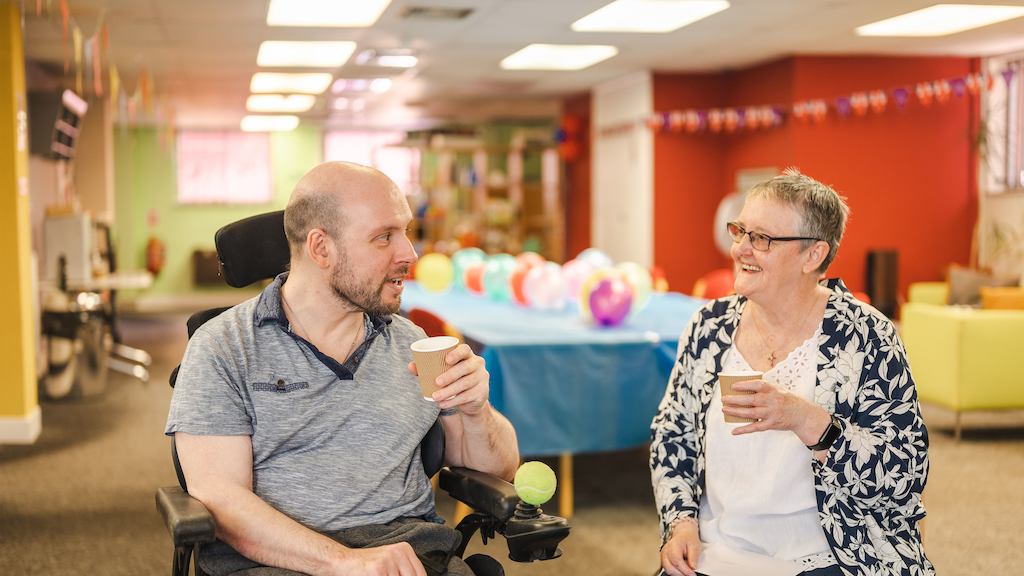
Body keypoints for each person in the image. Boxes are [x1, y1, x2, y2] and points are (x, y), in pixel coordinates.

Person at [166, 161, 519, 576]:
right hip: (275, 562)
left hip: (411, 556)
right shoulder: (224, 347)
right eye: (384, 237)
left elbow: (497, 471)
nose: (410, 253)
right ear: (321, 248)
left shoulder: (414, 343)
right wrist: (343, 562)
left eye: (405, 232)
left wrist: (477, 411)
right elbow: (220, 498)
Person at [650, 169, 933, 576]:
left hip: (832, 557)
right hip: (715, 555)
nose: (740, 250)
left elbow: (903, 479)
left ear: (812, 256)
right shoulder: (709, 327)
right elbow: (672, 435)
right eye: (739, 231)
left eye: (761, 238)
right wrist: (680, 524)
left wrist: (807, 420)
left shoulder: (867, 336)